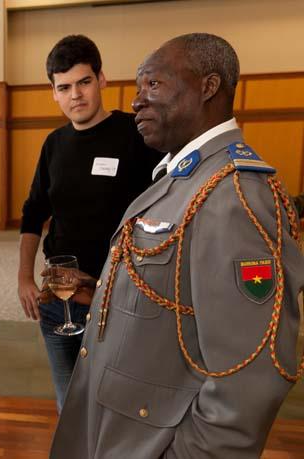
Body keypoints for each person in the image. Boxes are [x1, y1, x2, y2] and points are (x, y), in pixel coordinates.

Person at [50, 33, 304, 459]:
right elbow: (178, 298)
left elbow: (249, 380)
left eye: (153, 85)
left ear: (208, 87)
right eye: (136, 88)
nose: (136, 101)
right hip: (122, 425)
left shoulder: (233, 195)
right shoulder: (185, 176)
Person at [17, 34, 163, 412]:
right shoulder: (54, 144)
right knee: (70, 405)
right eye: (63, 87)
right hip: (58, 298)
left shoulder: (137, 135)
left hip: (116, 298)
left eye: (83, 82)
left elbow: (163, 214)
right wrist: (23, 278)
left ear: (102, 80)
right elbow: (33, 213)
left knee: (112, 405)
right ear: (53, 92)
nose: (75, 95)